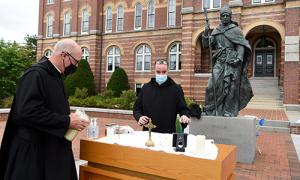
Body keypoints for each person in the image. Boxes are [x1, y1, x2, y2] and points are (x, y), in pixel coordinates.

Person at [0, 39, 90, 180]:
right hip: (33, 154)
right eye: (76, 62)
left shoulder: (55, 75)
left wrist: (70, 118)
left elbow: (50, 107)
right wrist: (66, 121)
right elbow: (26, 112)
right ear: (64, 55)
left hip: (51, 150)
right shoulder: (35, 74)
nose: (76, 67)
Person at [202, 5, 253, 117]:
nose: (225, 17)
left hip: (232, 62)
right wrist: (206, 33)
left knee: (231, 88)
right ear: (220, 17)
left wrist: (239, 58)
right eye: (223, 15)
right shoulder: (216, 30)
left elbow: (241, 46)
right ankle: (210, 109)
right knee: (210, 86)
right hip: (219, 61)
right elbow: (207, 45)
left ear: (230, 17)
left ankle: (229, 111)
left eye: (227, 15)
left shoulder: (236, 30)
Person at [133, 59, 190, 133]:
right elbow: (137, 108)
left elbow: (183, 109)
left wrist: (184, 116)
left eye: (164, 72)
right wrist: (139, 117)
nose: (161, 74)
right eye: (158, 72)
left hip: (168, 133)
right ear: (154, 71)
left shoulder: (176, 89)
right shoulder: (146, 88)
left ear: (167, 71)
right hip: (148, 132)